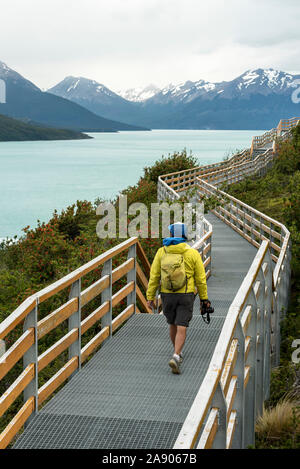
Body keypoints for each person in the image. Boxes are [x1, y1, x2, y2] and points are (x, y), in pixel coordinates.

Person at [146, 222, 211, 374]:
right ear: (184, 235)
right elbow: (201, 279)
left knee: (172, 324)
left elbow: (154, 275)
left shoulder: (162, 252)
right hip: (186, 294)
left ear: (170, 235)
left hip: (167, 294)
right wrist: (204, 299)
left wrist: (150, 297)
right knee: (182, 325)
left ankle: (177, 352)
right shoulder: (192, 253)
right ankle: (176, 355)